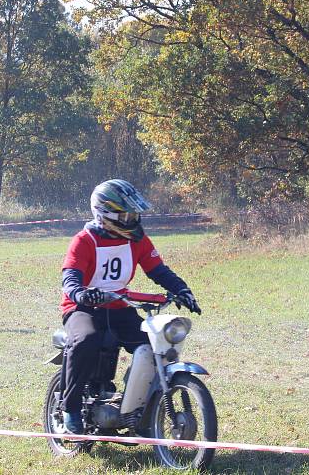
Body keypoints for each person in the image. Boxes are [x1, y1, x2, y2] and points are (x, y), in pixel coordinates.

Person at [59, 179, 201, 434]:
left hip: (120, 307)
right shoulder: (84, 240)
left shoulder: (137, 240)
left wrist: (182, 290)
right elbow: (70, 278)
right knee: (87, 339)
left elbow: (158, 270)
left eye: (134, 214)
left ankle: (135, 408)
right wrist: (81, 294)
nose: (132, 219)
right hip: (84, 309)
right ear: (105, 214)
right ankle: (70, 408)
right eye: (126, 214)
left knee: (153, 345)